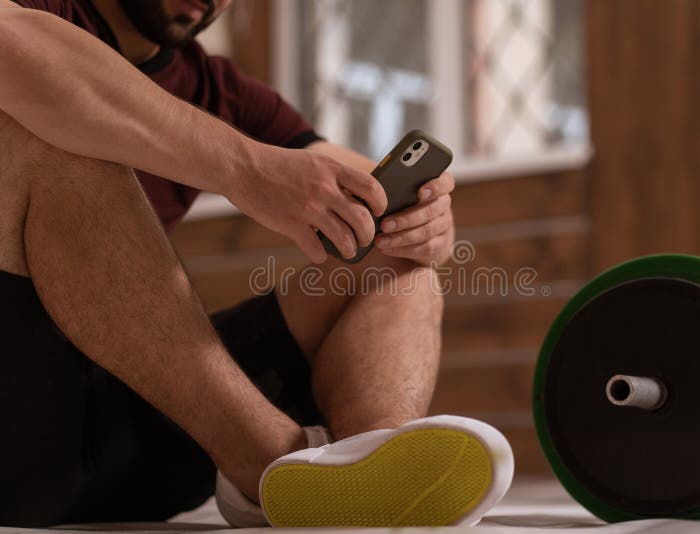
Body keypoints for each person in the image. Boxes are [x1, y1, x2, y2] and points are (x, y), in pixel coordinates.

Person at [0, 0, 513, 527]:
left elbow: (367, 190)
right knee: (41, 124)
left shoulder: (221, 90)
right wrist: (245, 166)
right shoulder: (38, 10)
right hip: (18, 429)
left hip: (138, 440)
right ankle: (270, 460)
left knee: (394, 257)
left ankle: (370, 476)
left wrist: (428, 224)